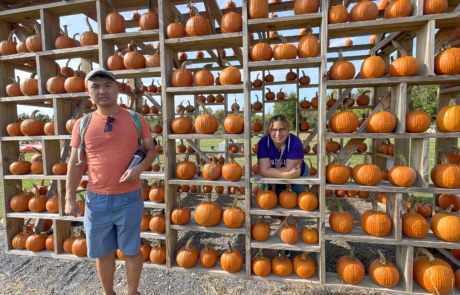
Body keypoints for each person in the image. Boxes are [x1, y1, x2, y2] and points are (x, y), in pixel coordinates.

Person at [65, 68, 157, 295]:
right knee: (103, 253)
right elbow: (75, 163)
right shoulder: (82, 124)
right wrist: (69, 197)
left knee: (131, 250)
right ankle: (109, 293)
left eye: (107, 85)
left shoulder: (136, 119)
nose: (102, 91)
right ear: (89, 92)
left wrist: (139, 168)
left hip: (129, 198)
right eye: (95, 87)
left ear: (117, 89)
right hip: (96, 200)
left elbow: (151, 151)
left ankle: (132, 292)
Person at [257, 114, 310, 195]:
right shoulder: (263, 143)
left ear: (288, 129)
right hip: (277, 179)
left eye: (282, 129)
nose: (278, 134)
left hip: (295, 180)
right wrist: (288, 174)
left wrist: (269, 171)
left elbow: (289, 168)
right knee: (265, 201)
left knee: (298, 204)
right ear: (269, 131)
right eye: (274, 130)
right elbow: (264, 171)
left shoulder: (295, 142)